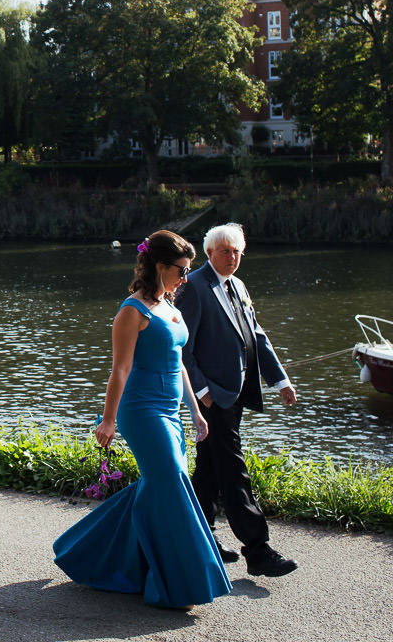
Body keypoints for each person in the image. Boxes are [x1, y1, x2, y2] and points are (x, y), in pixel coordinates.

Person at [53, 229, 232, 611]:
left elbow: (179, 362)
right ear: (159, 266)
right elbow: (120, 370)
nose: (186, 278)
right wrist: (108, 420)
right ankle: (179, 582)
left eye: (188, 270)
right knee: (172, 480)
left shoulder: (172, 306)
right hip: (142, 411)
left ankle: (91, 555)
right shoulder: (131, 311)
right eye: (181, 271)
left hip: (170, 412)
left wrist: (196, 411)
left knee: (156, 486)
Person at [176, 222, 298, 578]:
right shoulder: (194, 287)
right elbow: (182, 345)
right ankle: (258, 551)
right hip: (214, 397)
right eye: (226, 251)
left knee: (211, 467)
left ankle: (201, 536)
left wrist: (280, 380)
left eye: (237, 252)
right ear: (210, 252)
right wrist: (202, 392)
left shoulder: (238, 285)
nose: (232, 258)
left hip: (237, 392)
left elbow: (255, 335)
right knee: (233, 469)